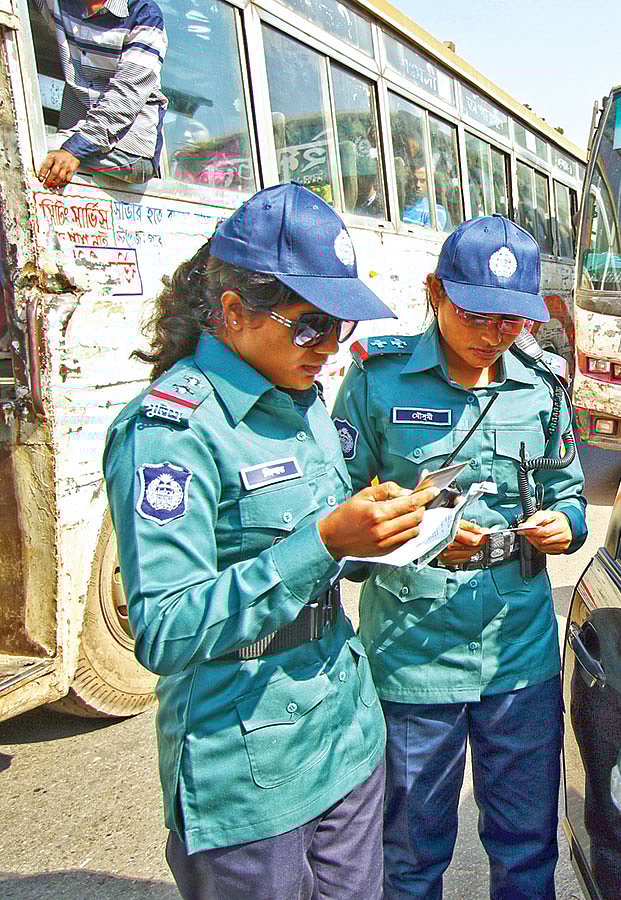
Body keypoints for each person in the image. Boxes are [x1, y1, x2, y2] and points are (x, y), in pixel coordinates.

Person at [103, 183, 438, 899]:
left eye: (339, 326)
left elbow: (327, 550)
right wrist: (323, 542)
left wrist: (380, 532)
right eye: (311, 325)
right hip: (249, 769)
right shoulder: (172, 431)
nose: (330, 348)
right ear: (233, 313)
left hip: (344, 738)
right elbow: (165, 629)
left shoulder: (302, 398)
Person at [331, 214, 588, 900]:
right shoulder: (377, 381)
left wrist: (563, 524)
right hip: (413, 656)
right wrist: (420, 535)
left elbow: (570, 493)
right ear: (434, 291)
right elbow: (335, 523)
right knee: (410, 855)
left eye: (511, 321)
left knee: (527, 846)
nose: (493, 335)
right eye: (476, 316)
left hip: (518, 652)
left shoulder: (542, 385)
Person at [33, 0, 168, 187]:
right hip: (72, 138)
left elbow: (126, 96)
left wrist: (74, 150)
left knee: (30, 148)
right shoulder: (58, 3)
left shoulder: (144, 15)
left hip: (129, 151)